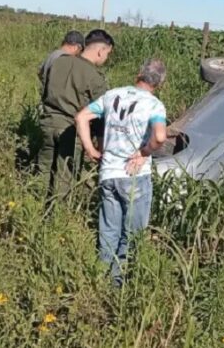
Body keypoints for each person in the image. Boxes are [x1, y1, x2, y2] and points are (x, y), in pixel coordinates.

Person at [74, 59, 168, 287]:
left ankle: (100, 276)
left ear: (139, 73)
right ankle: (119, 284)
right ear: (160, 83)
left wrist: (90, 148)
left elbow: (81, 117)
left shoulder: (112, 95)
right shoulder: (154, 105)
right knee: (132, 233)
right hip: (135, 175)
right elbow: (160, 137)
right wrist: (144, 152)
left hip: (108, 172)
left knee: (108, 229)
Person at [38, 29, 114, 217]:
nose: (105, 58)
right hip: (71, 131)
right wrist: (99, 143)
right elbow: (100, 116)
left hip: (47, 123)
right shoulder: (95, 78)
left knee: (43, 170)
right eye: (107, 54)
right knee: (64, 178)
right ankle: (56, 220)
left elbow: (44, 88)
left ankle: (34, 208)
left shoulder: (58, 61)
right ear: (100, 51)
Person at [37, 30, 86, 98]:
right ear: (76, 47)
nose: (78, 55)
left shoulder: (52, 55)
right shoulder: (66, 60)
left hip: (46, 100)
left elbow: (40, 72)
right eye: (79, 51)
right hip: (55, 104)